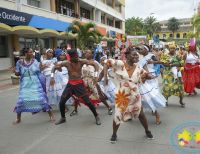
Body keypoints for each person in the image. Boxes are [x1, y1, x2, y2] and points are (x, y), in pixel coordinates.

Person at [104, 47, 154, 143]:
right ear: (127, 56)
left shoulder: (138, 68)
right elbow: (106, 62)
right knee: (118, 114)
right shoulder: (120, 64)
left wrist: (149, 76)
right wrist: (105, 76)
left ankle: (147, 131)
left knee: (140, 114)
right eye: (134, 54)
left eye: (137, 55)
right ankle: (114, 134)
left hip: (135, 95)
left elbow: (145, 75)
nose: (136, 56)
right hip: (122, 95)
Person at [51, 49, 101, 125]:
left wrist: (96, 75)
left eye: (77, 56)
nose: (77, 58)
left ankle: (96, 116)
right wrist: (52, 77)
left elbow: (95, 64)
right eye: (75, 57)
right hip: (70, 85)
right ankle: (63, 118)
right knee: (62, 102)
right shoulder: (66, 63)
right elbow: (54, 68)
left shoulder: (81, 61)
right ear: (70, 57)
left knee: (88, 102)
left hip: (79, 84)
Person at [13, 48, 54, 124]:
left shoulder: (35, 61)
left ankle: (51, 115)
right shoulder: (19, 62)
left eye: (32, 52)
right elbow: (18, 73)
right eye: (30, 52)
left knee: (42, 99)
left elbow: (39, 70)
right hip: (25, 84)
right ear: (25, 53)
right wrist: (15, 72)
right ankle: (18, 118)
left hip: (35, 83)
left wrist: (43, 67)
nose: (32, 53)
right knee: (21, 100)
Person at [138, 45, 166, 125]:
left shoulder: (151, 55)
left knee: (151, 96)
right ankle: (134, 113)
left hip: (151, 77)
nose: (140, 50)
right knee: (141, 97)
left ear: (147, 50)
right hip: (142, 78)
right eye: (139, 49)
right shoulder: (139, 58)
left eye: (142, 49)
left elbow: (159, 62)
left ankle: (156, 114)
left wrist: (152, 62)